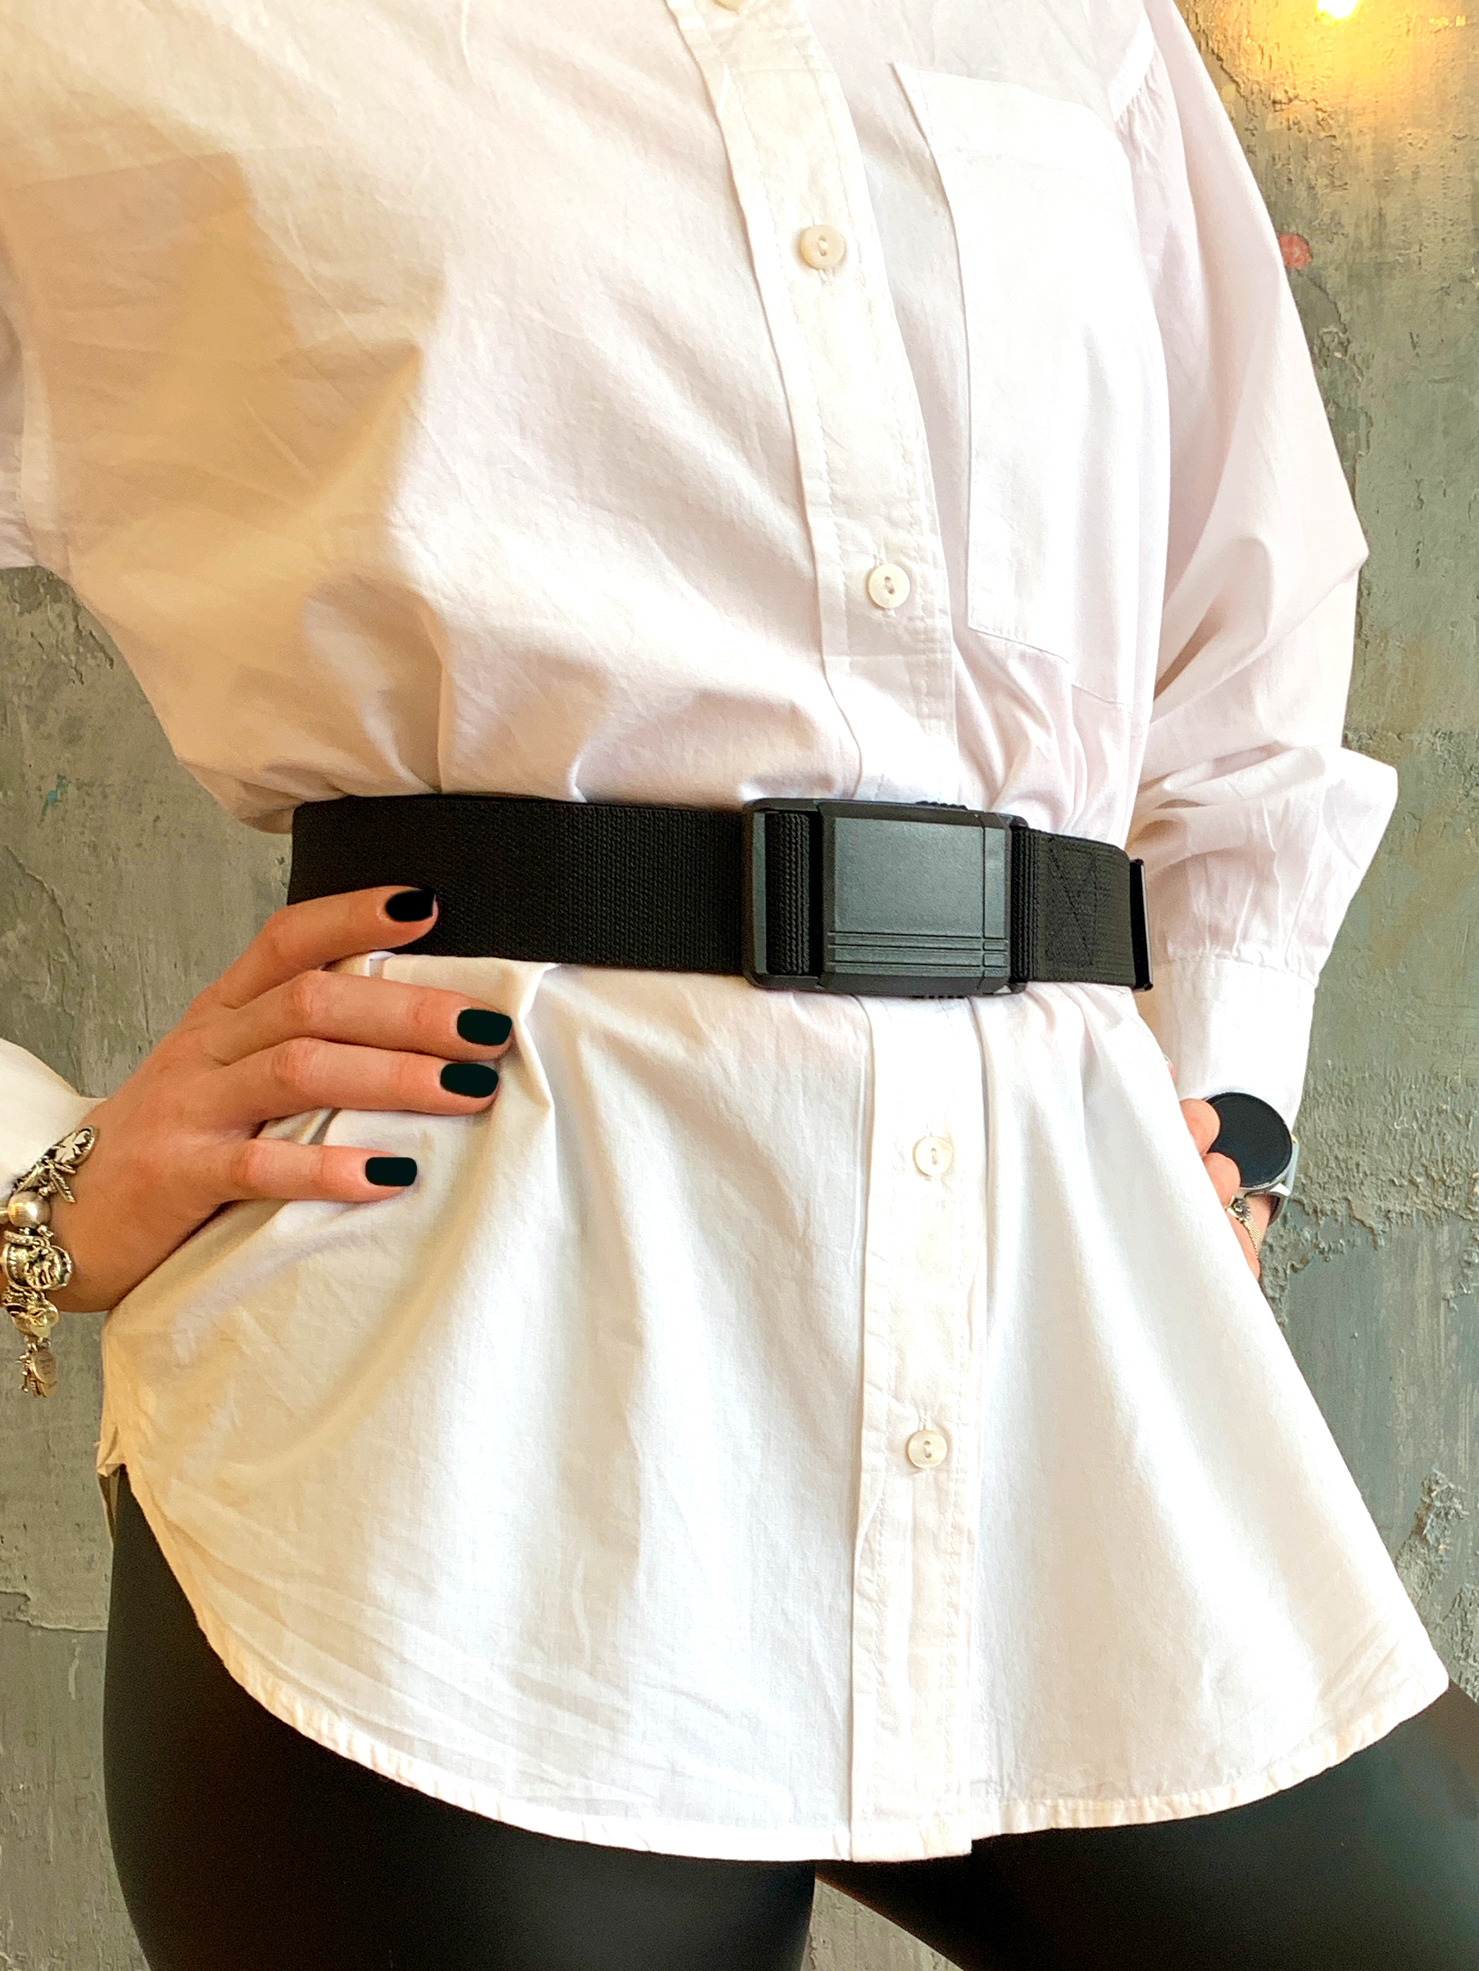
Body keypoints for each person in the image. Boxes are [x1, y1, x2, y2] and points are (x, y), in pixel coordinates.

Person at [2, 0, 1476, 1965]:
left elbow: (1250, 589)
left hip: (1069, 1333)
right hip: (454, 1417)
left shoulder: (1073, 22)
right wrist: (32, 1175)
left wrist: (1230, 1098)